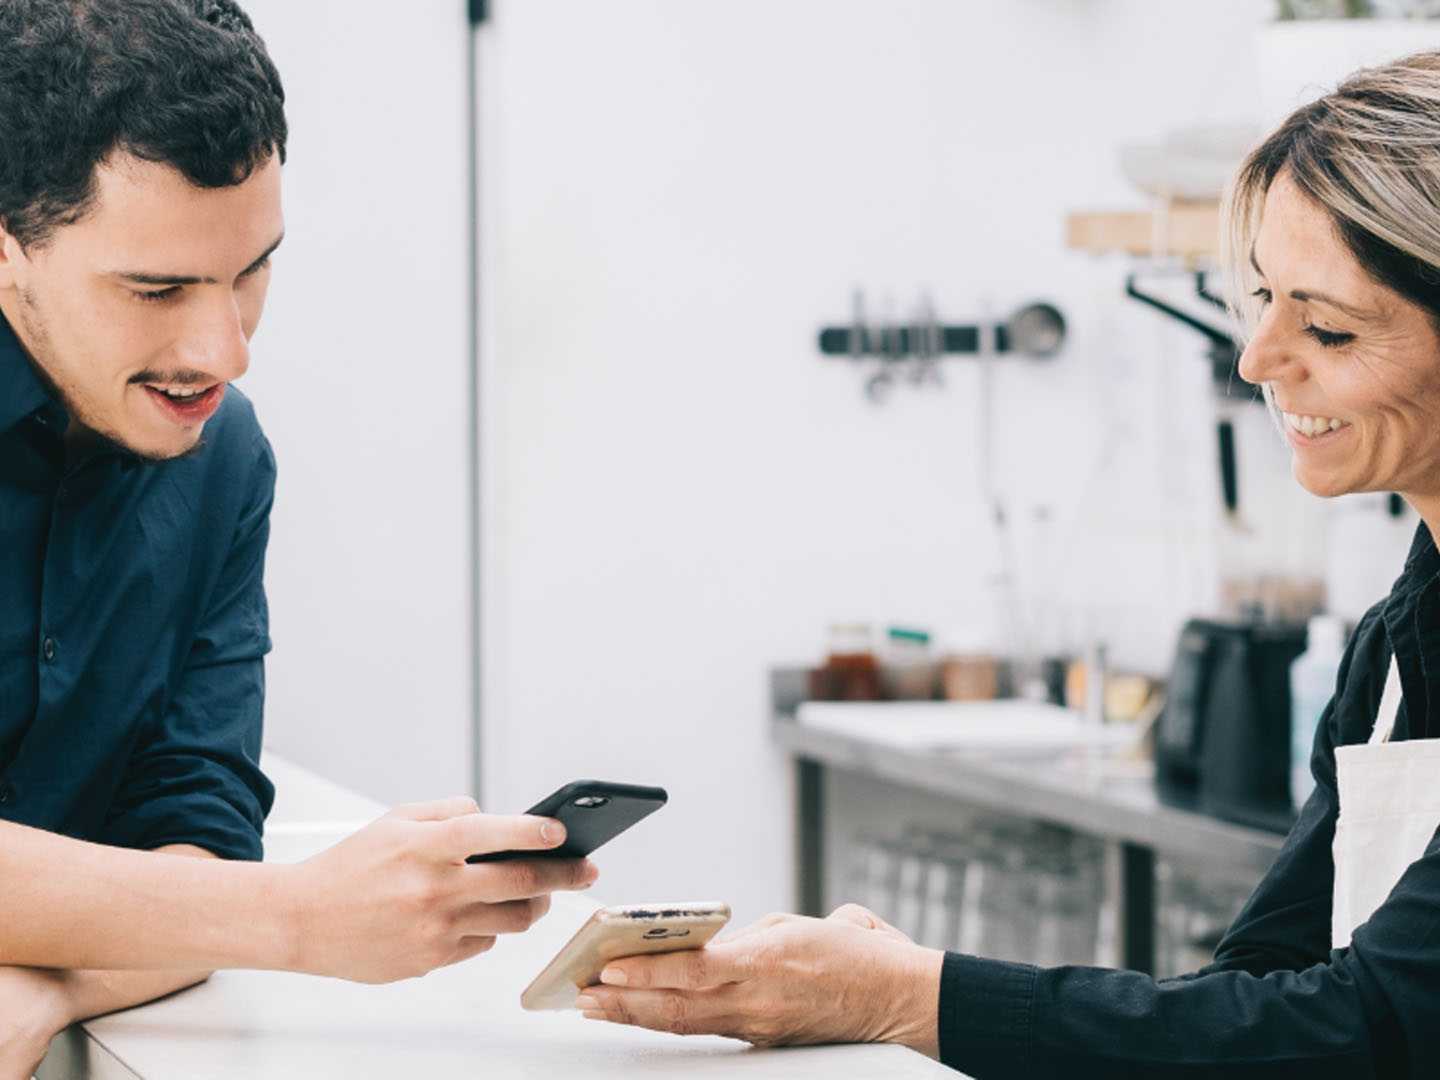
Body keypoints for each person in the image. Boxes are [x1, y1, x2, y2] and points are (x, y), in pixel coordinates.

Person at [578, 50, 1440, 1078]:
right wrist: (915, 995)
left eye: (1327, 324)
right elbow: (1261, 990)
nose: (1257, 359)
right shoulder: (1394, 645)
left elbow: (1377, 1027)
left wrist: (911, 999)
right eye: (1259, 299)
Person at [0, 2, 593, 1076]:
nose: (224, 352)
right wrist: (288, 916)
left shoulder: (223, 462)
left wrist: (45, 984)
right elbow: (226, 897)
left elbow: (198, 829)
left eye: (251, 270)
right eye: (158, 288)